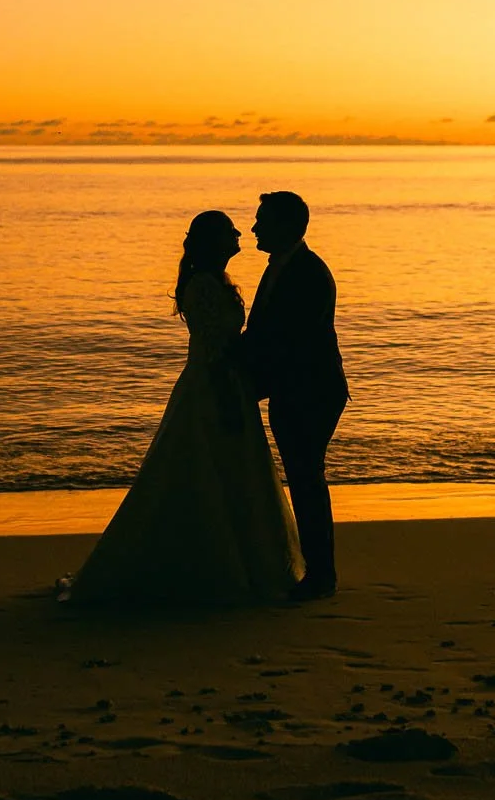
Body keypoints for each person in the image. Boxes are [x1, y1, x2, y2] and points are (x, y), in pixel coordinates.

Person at [60, 210, 302, 606]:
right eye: (230, 230)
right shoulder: (203, 286)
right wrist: (228, 396)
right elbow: (213, 351)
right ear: (213, 241)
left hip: (230, 384)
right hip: (213, 386)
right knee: (205, 468)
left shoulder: (218, 281)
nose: (241, 232)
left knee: (232, 472)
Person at [242, 190, 348, 600]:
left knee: (306, 479)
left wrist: (248, 379)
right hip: (296, 390)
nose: (254, 227)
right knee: (304, 478)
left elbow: (290, 343)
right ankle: (317, 571)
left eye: (262, 220)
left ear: (287, 226)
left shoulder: (307, 273)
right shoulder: (283, 267)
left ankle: (321, 575)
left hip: (311, 392)